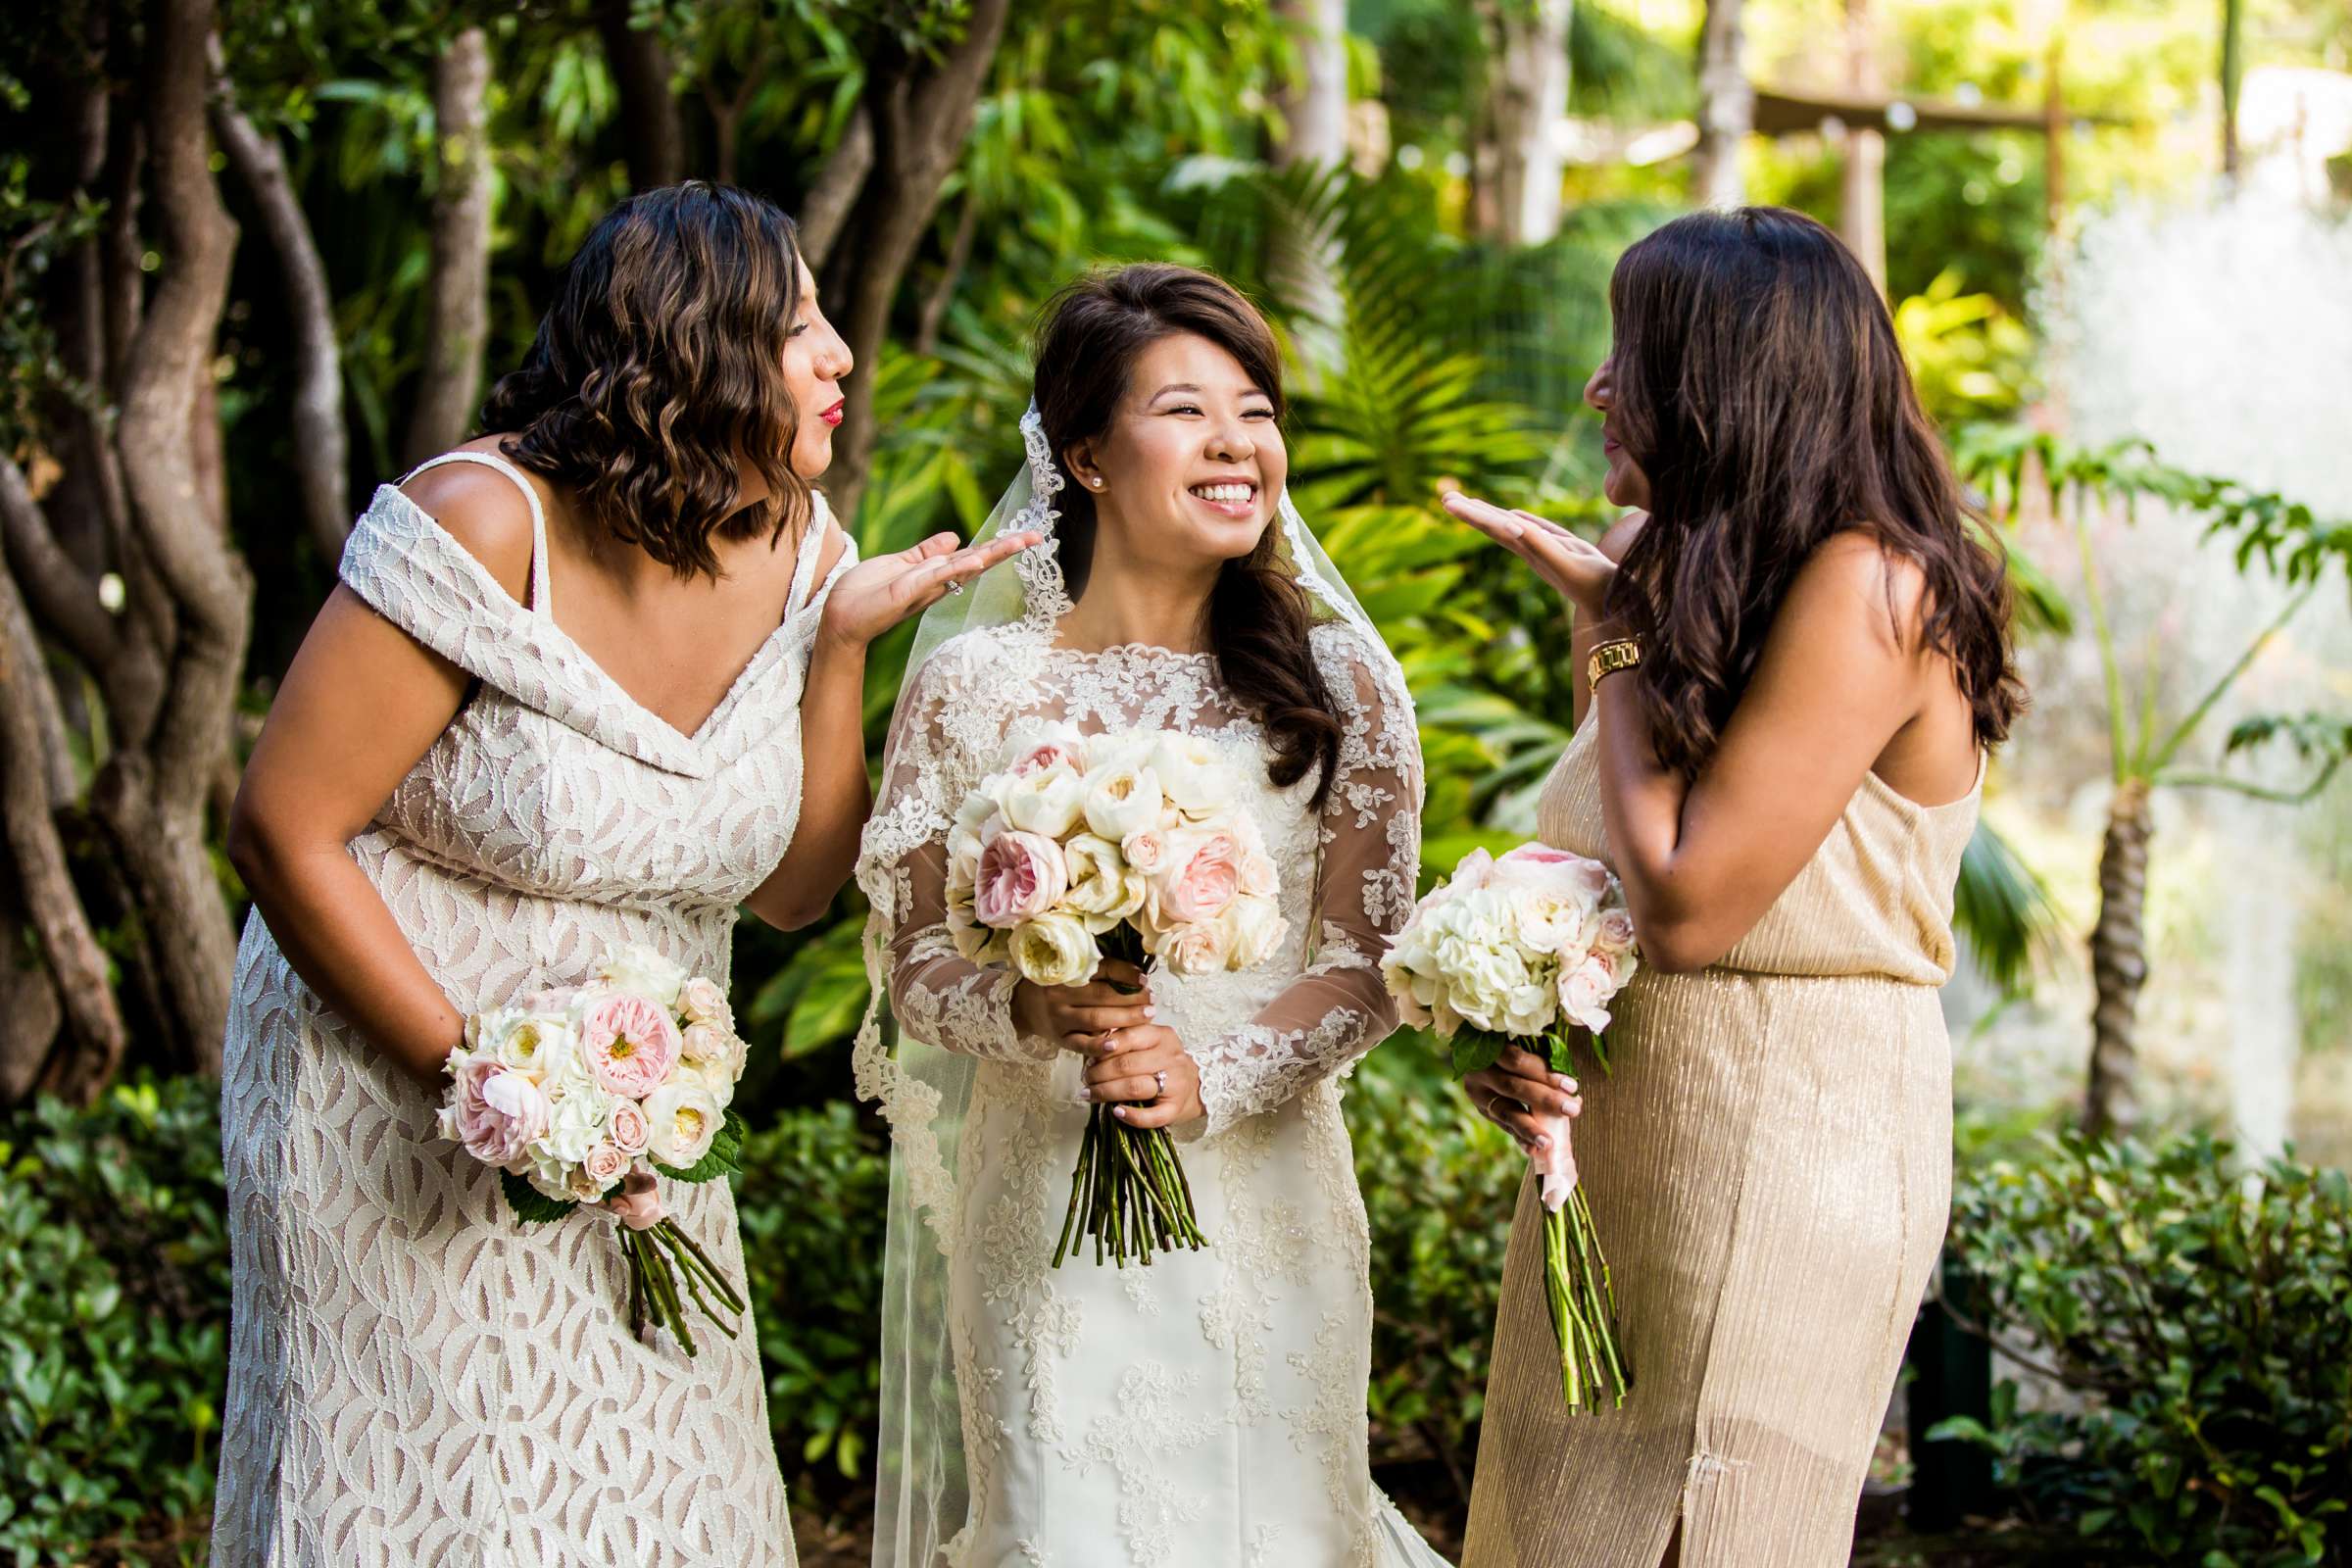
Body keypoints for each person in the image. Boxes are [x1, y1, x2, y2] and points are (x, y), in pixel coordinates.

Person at [213, 181, 1031, 1566]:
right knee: (431, 1506)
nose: (839, 355)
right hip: (385, 1094)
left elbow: (787, 895)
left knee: (659, 1493)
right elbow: (284, 829)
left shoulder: (801, 547)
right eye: (799, 322)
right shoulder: (479, 521)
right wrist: (500, 1096)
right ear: (692, 346)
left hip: (640, 1113)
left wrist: (839, 650)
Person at [851, 263, 1449, 1568]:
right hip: (1043, 1193)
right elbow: (911, 960)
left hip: (1264, 1200)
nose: (1238, 442)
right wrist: (1029, 1003)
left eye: (1257, 409)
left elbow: (1363, 967)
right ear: (1087, 454)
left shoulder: (1340, 680)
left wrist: (1214, 1070)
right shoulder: (971, 686)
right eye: (1187, 410)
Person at [1449, 206, 2023, 1568]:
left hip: (1783, 1137)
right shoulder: (1707, 585)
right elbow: (1621, 880)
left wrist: (1608, 635)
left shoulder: (1872, 581)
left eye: (1631, 354)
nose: (1600, 386)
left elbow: (1694, 909)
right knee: (1560, 1530)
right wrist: (1525, 1028)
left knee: (1706, 1530)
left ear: (1725, 383)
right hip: (1635, 1150)